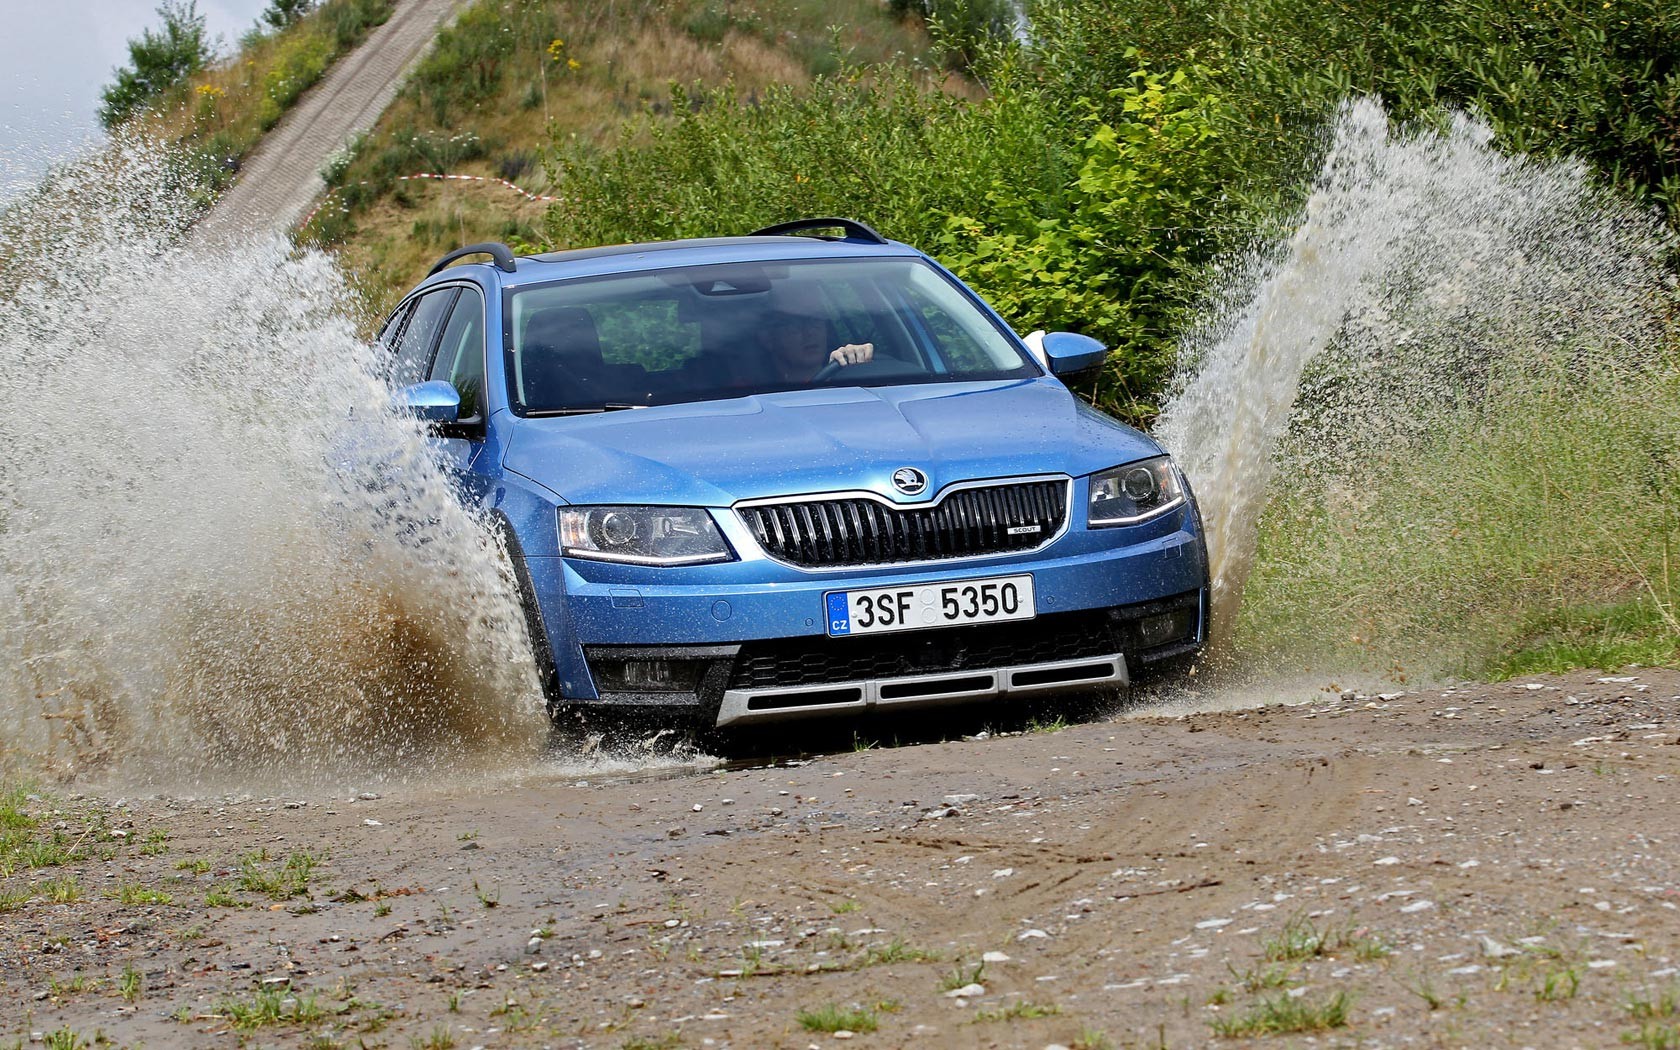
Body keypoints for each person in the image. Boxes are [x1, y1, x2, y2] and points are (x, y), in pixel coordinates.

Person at [757, 286, 873, 383]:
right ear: (767, 338)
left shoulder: (851, 380)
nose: (809, 332)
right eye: (794, 325)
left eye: (815, 320)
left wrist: (856, 359)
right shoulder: (745, 393)